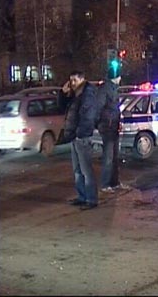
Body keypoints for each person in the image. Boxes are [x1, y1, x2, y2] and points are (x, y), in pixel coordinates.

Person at [58, 70, 99, 210]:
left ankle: (91, 199)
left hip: (82, 137)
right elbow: (62, 108)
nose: (72, 83)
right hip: (74, 136)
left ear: (82, 79)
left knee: (86, 170)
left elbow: (88, 116)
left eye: (74, 80)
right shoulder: (75, 95)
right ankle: (82, 196)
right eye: (70, 80)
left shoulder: (87, 94)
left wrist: (80, 133)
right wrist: (62, 93)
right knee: (77, 170)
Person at [96, 65, 126, 194]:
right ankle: (105, 184)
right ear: (115, 77)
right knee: (109, 156)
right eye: (119, 76)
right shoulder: (105, 89)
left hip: (113, 125)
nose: (120, 79)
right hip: (108, 126)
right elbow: (99, 107)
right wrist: (101, 123)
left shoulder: (113, 89)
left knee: (114, 156)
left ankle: (114, 182)